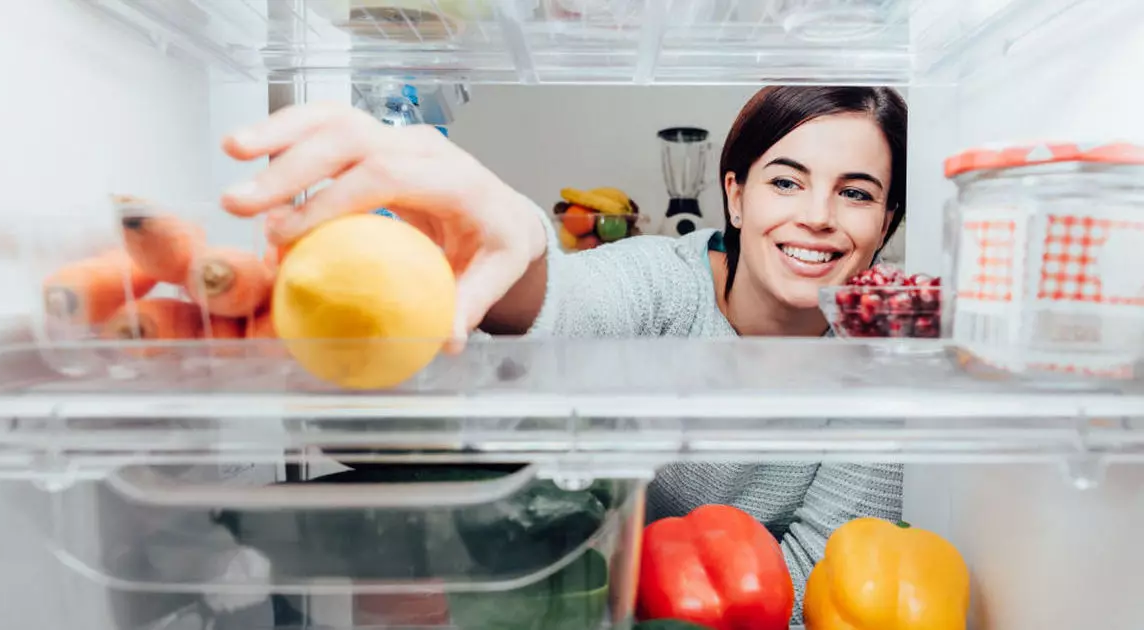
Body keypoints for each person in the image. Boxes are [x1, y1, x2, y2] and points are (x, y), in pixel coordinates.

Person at [220, 86, 906, 621]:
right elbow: (569, 304)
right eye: (785, 181)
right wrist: (515, 240)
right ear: (734, 193)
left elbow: (826, 577)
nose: (818, 214)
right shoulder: (663, 279)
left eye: (855, 193)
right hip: (579, 597)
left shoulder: (879, 363)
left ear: (886, 225)